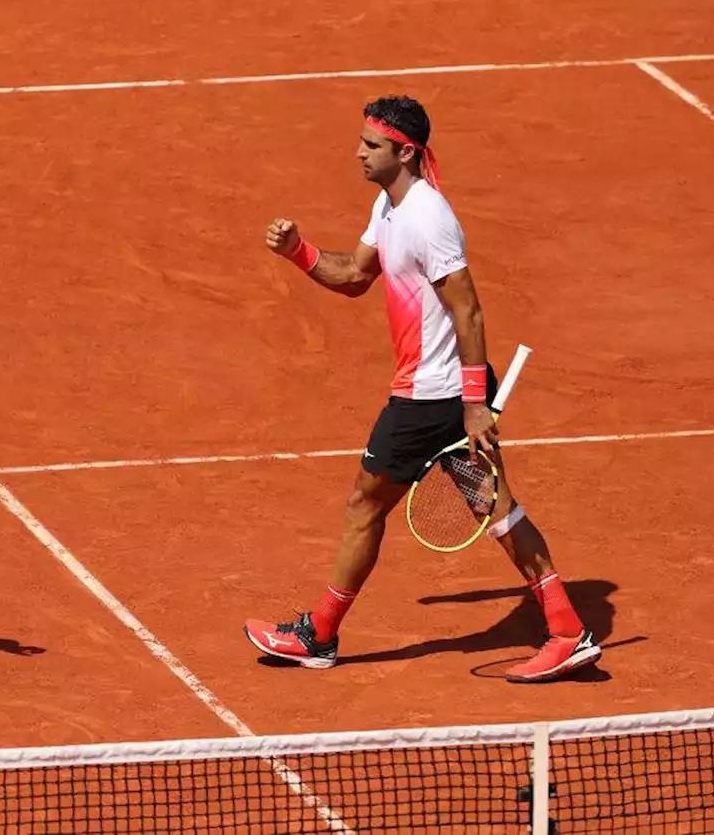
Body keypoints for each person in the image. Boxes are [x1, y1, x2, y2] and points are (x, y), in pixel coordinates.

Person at [243, 97, 602, 683]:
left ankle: (320, 635)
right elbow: (357, 275)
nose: (359, 152)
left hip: (431, 398)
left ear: (404, 151)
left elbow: (470, 312)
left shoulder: (428, 219)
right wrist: (298, 253)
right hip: (442, 395)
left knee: (366, 503)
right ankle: (567, 630)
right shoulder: (389, 206)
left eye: (372, 144)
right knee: (497, 510)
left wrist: (472, 403)